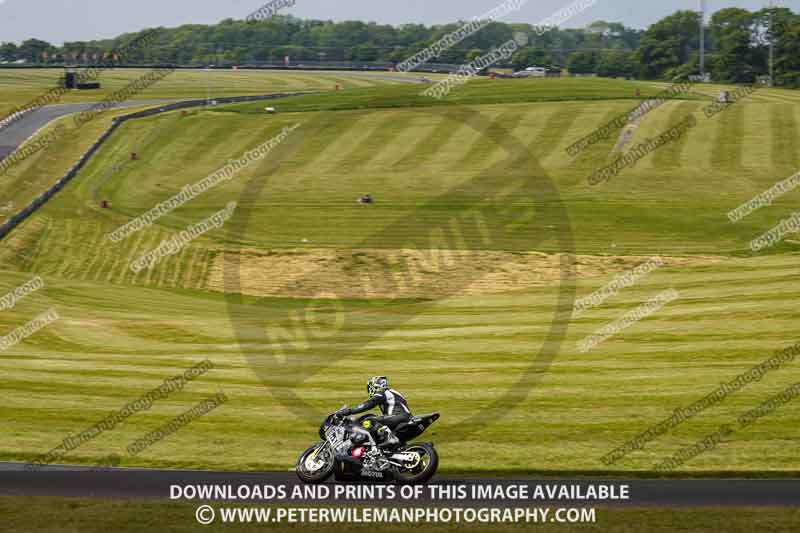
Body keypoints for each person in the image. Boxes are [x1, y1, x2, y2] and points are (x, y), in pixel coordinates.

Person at [336, 376, 412, 447]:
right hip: (406, 417)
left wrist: (349, 411)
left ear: (375, 386)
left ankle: (387, 436)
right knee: (380, 420)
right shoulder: (394, 392)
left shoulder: (382, 393)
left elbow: (368, 404)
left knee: (370, 419)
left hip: (398, 417)